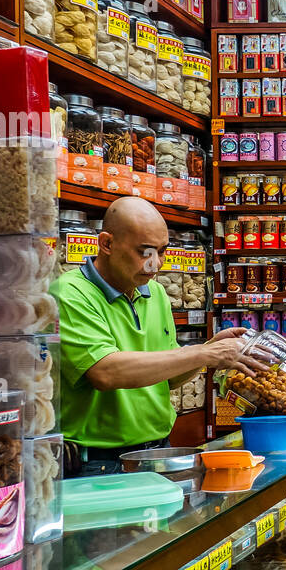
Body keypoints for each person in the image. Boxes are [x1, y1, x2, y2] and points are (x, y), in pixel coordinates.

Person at [51, 197, 266, 476]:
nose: (156, 265)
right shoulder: (69, 294)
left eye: (162, 251)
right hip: (98, 463)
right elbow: (104, 372)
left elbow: (170, 377)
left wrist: (211, 349)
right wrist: (202, 353)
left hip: (159, 451)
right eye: (145, 252)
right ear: (106, 244)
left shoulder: (157, 294)